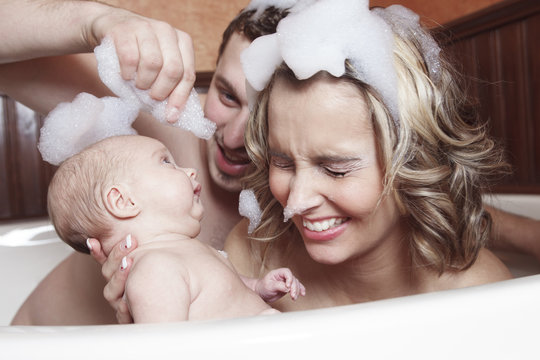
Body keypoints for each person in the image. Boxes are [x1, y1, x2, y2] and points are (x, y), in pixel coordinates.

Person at [2, 0, 535, 325]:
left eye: (257, 120)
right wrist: (97, 18)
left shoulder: (287, 219)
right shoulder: (162, 141)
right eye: (226, 96)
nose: (235, 139)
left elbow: (455, 217)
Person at [47, 134, 305, 323]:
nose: (190, 171)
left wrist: (259, 287)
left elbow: (223, 291)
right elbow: (166, 349)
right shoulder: (154, 270)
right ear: (123, 202)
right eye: (166, 162)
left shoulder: (187, 251)